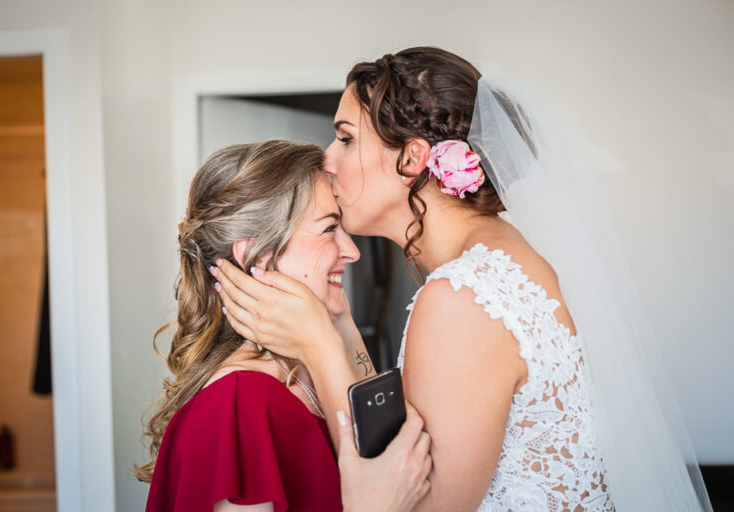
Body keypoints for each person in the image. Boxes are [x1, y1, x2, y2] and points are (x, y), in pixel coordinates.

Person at [211, 47, 712, 511]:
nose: (327, 159)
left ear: (411, 159)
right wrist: (339, 327)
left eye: (345, 138)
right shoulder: (500, 258)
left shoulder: (464, 298)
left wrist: (320, 347)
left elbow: (413, 504)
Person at [138, 140, 431, 512]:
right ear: (258, 256)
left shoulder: (309, 373)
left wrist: (338, 326)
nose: (353, 251)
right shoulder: (241, 405)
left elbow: (388, 448)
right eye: (329, 229)